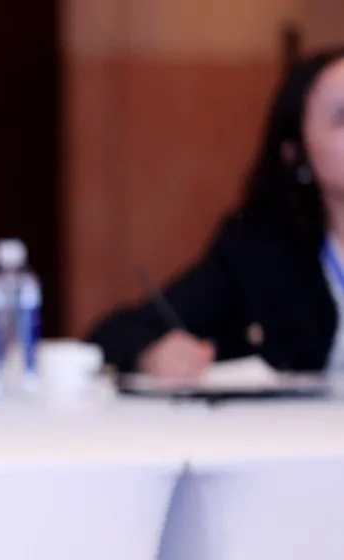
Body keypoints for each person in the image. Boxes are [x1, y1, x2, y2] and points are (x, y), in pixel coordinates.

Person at [89, 49, 344, 378]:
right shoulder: (261, 251)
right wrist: (153, 353)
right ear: (295, 153)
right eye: (342, 117)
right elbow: (117, 334)